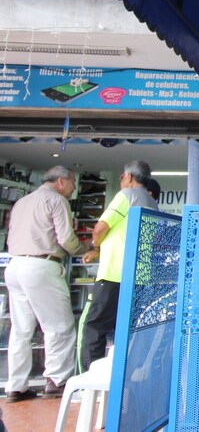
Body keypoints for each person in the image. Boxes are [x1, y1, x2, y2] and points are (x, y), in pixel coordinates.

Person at [5, 166, 93, 401]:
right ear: (61, 181)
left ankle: (16, 386)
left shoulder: (22, 202)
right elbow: (66, 239)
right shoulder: (56, 200)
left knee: (21, 330)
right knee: (59, 326)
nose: (74, 187)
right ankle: (56, 381)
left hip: (15, 265)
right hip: (42, 266)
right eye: (73, 182)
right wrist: (86, 247)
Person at [76, 160, 158, 372]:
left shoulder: (126, 196)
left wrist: (95, 246)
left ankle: (90, 377)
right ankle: (123, 378)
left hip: (114, 274)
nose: (121, 180)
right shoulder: (151, 202)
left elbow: (100, 228)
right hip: (139, 276)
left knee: (94, 327)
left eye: (122, 176)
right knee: (126, 330)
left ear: (129, 176)